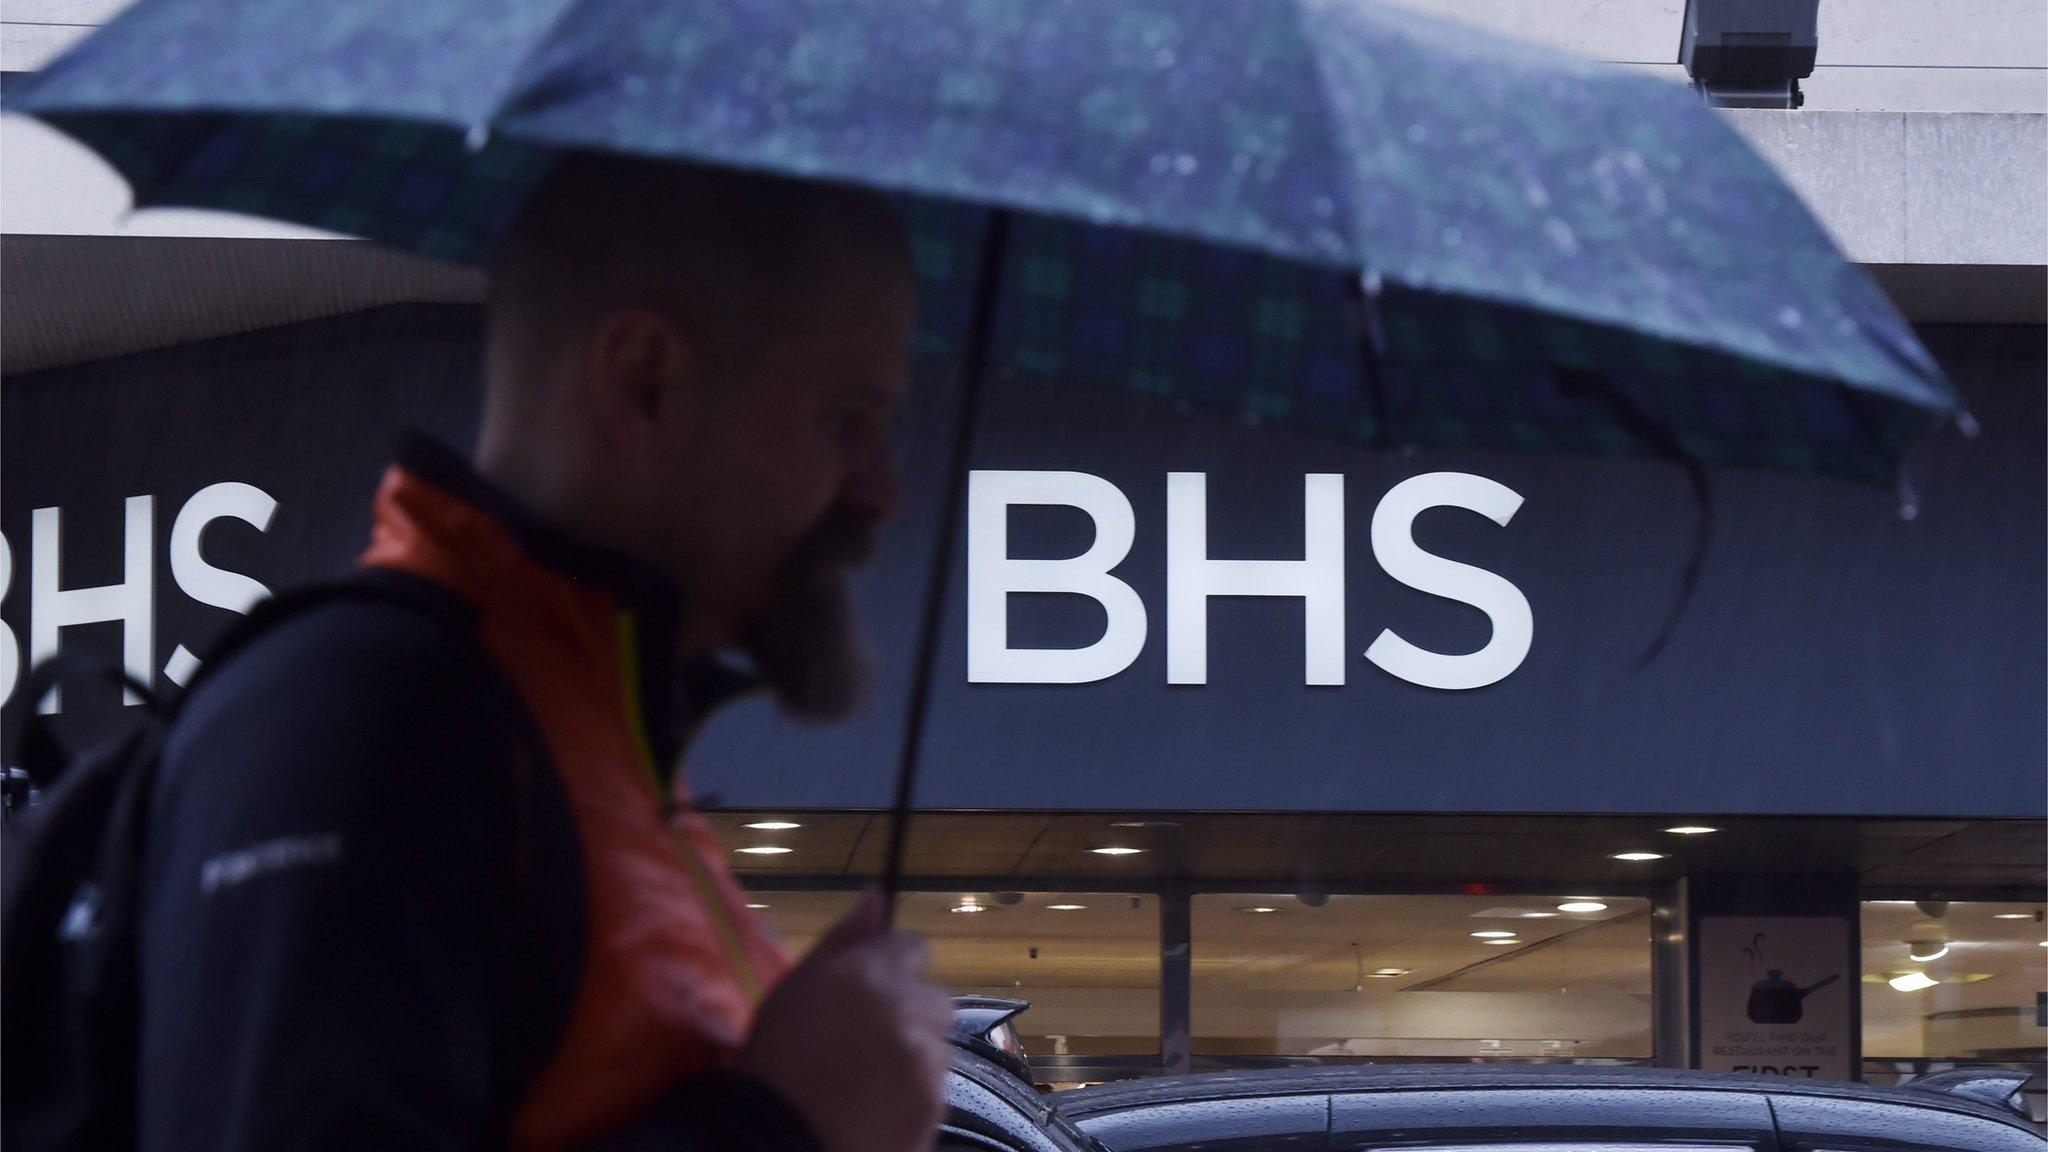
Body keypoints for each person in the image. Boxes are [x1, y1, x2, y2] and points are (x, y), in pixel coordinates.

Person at [136, 153, 953, 1151]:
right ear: (646, 380)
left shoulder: (588, 745)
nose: (880, 491)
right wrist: (779, 1121)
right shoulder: (373, 723)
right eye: (845, 421)